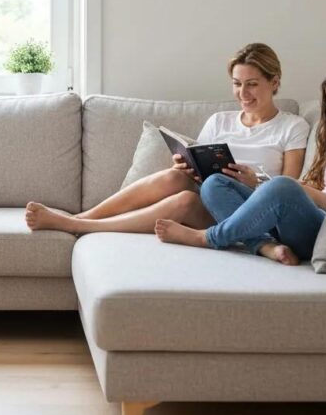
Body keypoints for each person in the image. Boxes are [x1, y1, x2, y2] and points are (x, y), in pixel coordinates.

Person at [25, 43, 310, 263]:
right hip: (213, 199)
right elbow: (201, 165)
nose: (243, 93)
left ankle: (77, 225)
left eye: (252, 84)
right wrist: (187, 165)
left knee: (196, 195)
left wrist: (255, 183)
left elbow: (291, 188)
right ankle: (84, 217)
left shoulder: (292, 126)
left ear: (274, 82)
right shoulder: (220, 121)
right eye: (237, 84)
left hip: (256, 211)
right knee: (177, 180)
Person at [154, 57, 326, 265]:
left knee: (282, 185)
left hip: (323, 229)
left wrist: (297, 190)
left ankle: (208, 238)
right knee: (215, 183)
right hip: (300, 219)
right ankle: (264, 246)